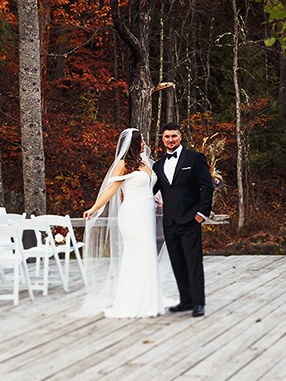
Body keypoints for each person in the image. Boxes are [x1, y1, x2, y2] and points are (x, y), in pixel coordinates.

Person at [80, 128, 164, 318]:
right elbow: (110, 191)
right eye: (141, 140)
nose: (144, 143)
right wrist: (94, 208)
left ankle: (149, 298)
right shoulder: (122, 164)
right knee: (136, 254)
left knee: (148, 253)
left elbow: (154, 187)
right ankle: (132, 300)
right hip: (133, 215)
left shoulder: (145, 163)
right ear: (133, 143)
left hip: (147, 214)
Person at [152, 122, 214, 318]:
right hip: (169, 222)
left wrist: (201, 214)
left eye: (174, 136)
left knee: (193, 262)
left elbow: (207, 186)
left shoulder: (194, 158)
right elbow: (151, 191)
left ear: (180, 137)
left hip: (190, 220)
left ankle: (198, 303)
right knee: (177, 262)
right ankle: (186, 301)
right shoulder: (157, 165)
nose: (170, 140)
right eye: (167, 137)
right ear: (162, 139)